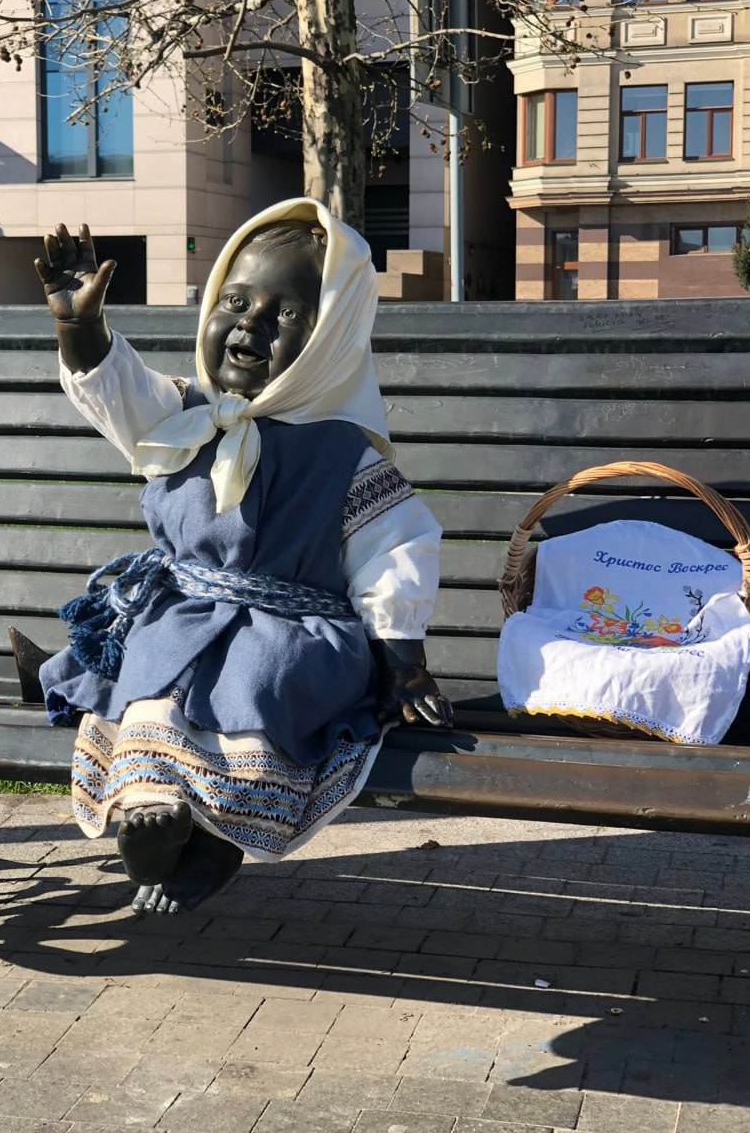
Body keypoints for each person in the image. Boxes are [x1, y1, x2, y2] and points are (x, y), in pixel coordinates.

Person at [32, 198, 452, 916]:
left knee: (260, 687)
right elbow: (119, 395)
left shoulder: (343, 454)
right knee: (153, 679)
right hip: (183, 614)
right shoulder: (183, 415)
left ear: (331, 338)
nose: (250, 324)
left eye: (285, 314)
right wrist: (81, 329)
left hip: (291, 629)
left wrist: (403, 661)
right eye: (236, 301)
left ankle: (220, 836)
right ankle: (152, 809)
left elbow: (394, 552)